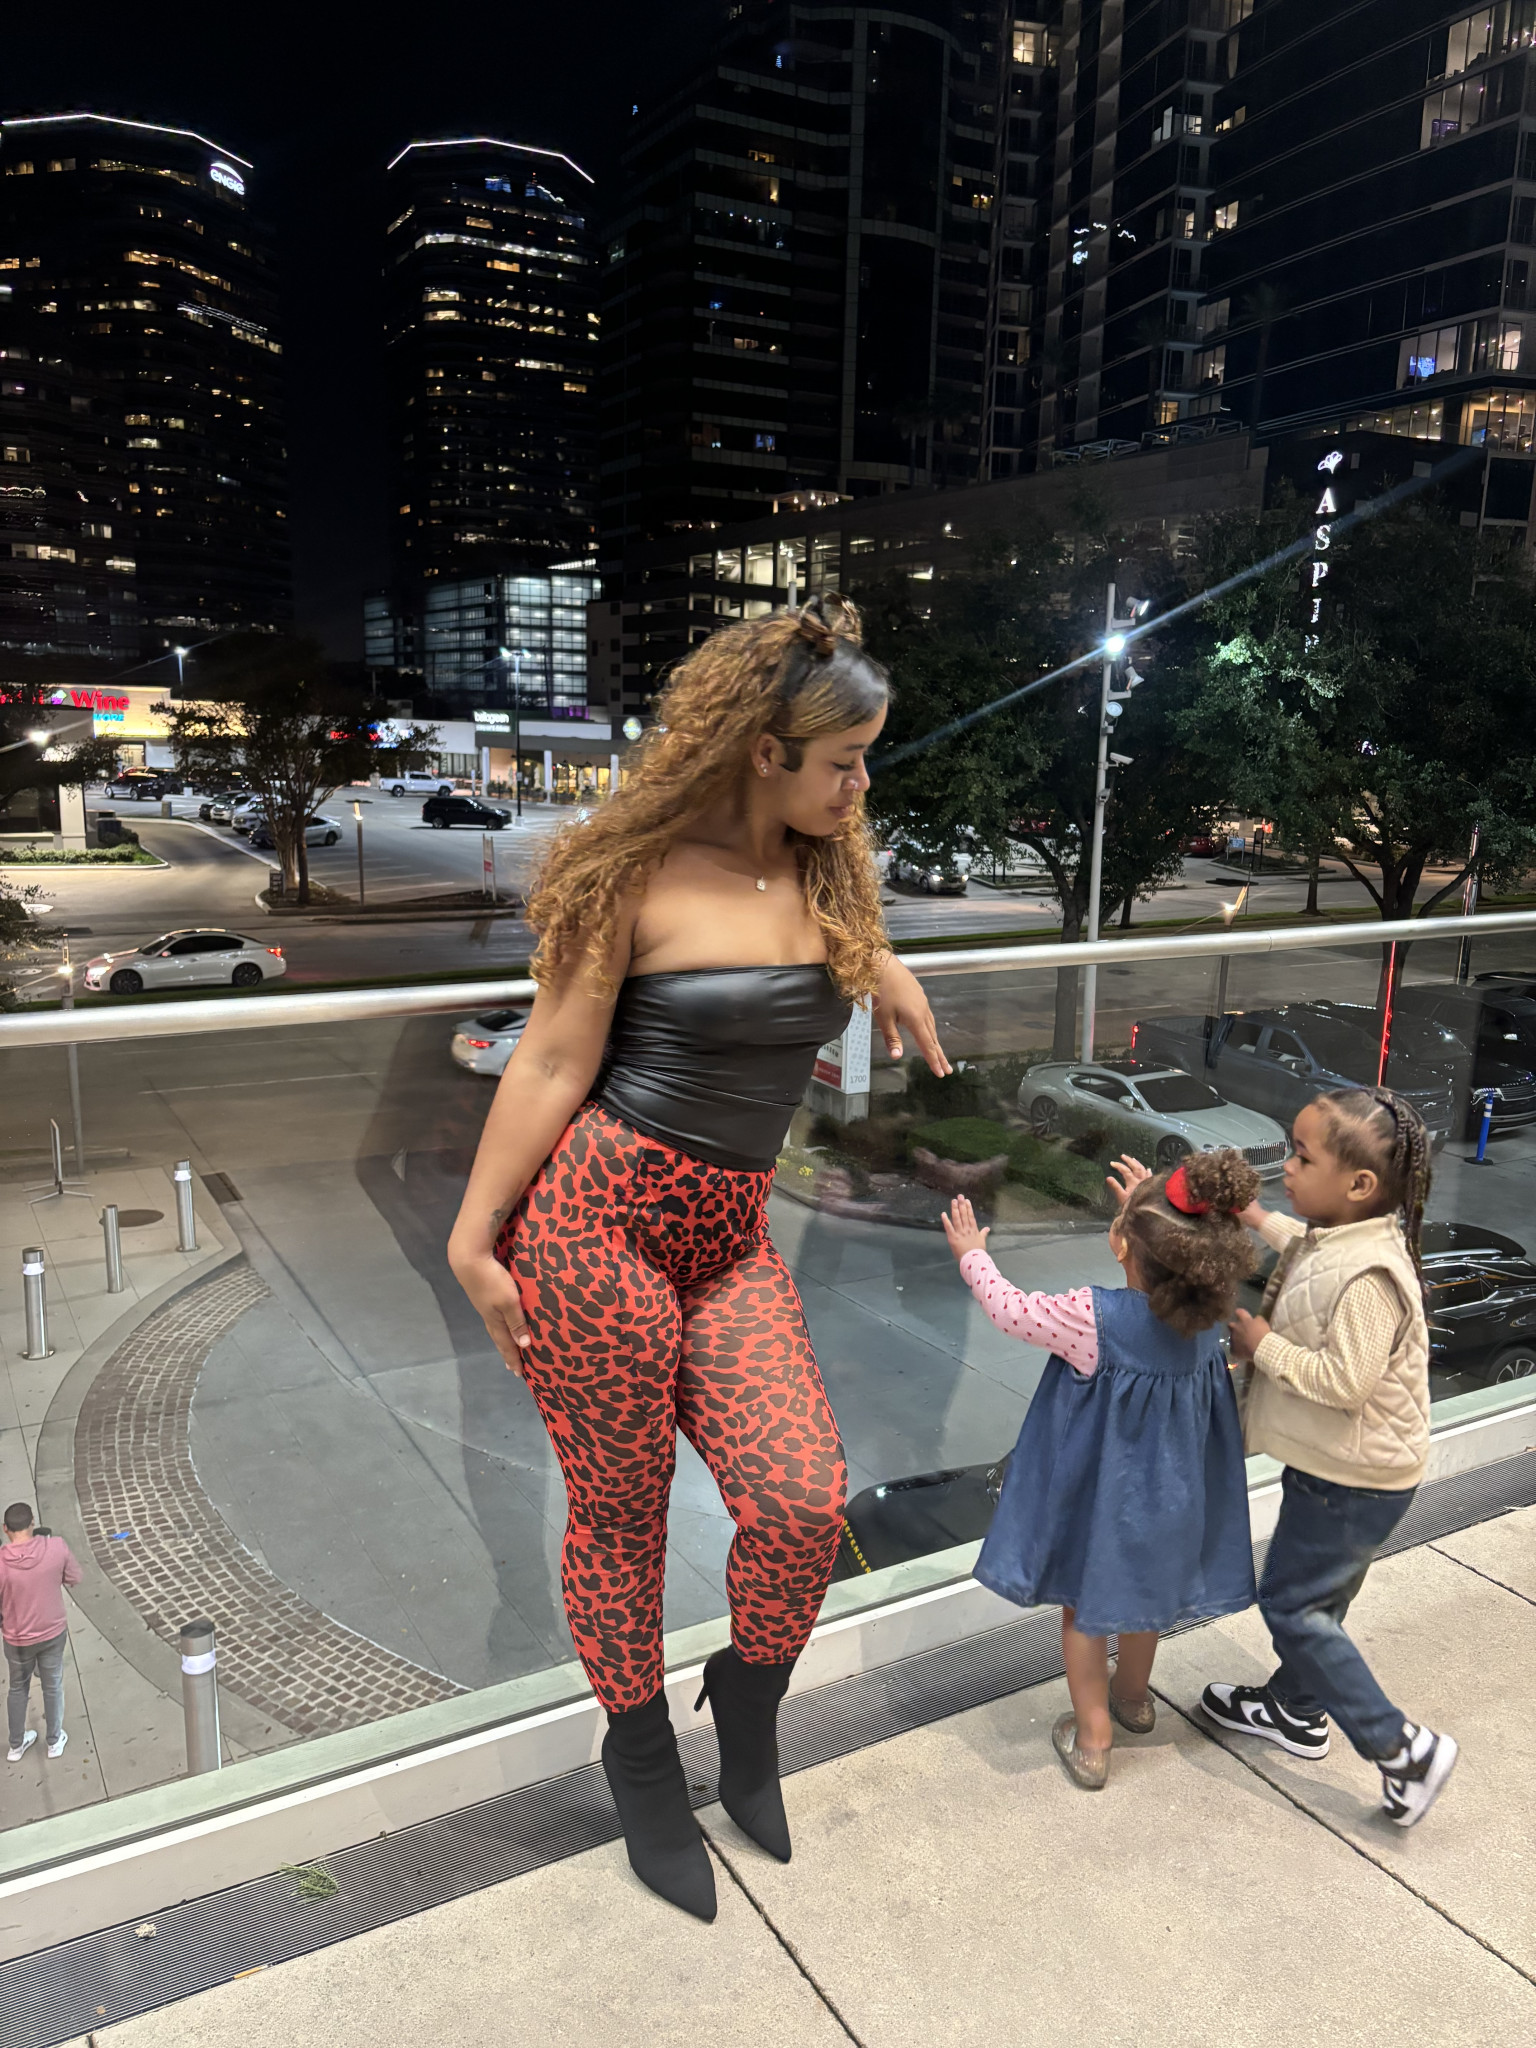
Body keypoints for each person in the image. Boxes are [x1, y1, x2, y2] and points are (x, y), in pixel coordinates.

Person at [448, 598, 948, 1920]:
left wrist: (888, 966)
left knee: (800, 1503)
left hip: (728, 1240)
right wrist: (473, 1234)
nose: (861, 785)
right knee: (620, 1515)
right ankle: (640, 1758)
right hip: (594, 1230)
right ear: (761, 752)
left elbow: (833, 949)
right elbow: (551, 1060)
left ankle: (747, 1697)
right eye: (844, 761)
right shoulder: (637, 875)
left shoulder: (826, 868)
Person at [944, 1149, 1260, 1789]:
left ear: (1122, 1247)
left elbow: (1010, 1311)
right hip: (1174, 1503)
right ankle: (1133, 1699)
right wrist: (1149, 1214)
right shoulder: (1207, 1319)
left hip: (1105, 1507)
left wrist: (972, 1254)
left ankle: (1092, 1738)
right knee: (1145, 1603)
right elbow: (1172, 1255)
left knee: (1083, 1612)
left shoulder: (1092, 1319)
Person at [1202, 1087, 1457, 1828]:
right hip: (1353, 1470)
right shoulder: (1344, 1237)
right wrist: (1257, 1218)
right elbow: (1307, 1254)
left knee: (1293, 1606)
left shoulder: (1371, 1276)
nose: (1287, 1165)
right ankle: (1294, 1708)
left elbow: (1345, 1383)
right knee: (1322, 1604)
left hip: (1352, 1480)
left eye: (1302, 1156)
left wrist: (1263, 1346)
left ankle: (1401, 1748)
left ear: (1359, 1184)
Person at [1, 1501, 81, 1763]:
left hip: (17, 1638)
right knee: (52, 1684)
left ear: (5, 1529)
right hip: (52, 1633)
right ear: (33, 1523)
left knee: (17, 1688)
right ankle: (54, 1740)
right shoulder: (56, 1547)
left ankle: (15, 1745)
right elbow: (75, 1577)